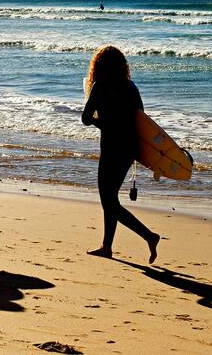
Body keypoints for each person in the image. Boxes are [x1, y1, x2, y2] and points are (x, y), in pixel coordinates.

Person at [82, 46, 160, 263]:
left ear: (99, 65)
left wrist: (103, 123)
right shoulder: (130, 87)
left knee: (108, 201)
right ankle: (107, 246)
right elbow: (142, 119)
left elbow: (86, 118)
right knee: (111, 198)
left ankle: (149, 236)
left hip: (110, 148)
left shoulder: (100, 86)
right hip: (129, 150)